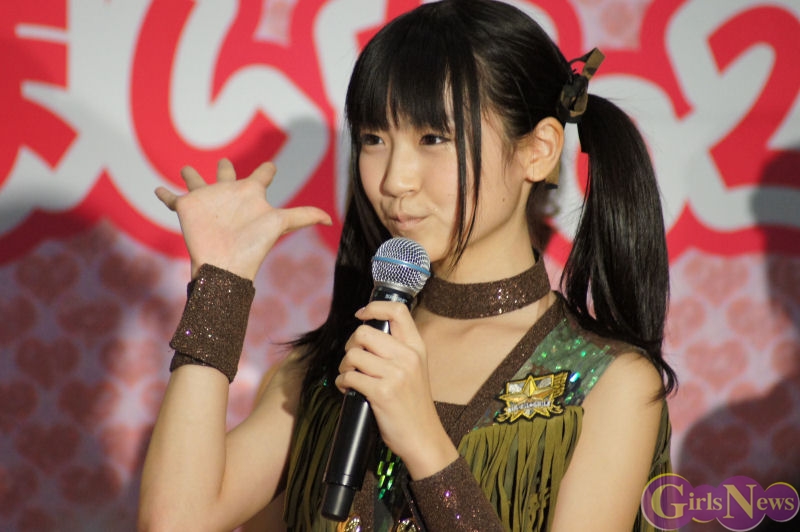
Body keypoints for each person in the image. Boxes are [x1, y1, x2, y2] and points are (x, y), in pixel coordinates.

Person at [138, 0, 677, 530]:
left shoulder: (611, 385)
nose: (395, 179)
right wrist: (221, 283)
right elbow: (174, 522)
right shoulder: (327, 367)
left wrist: (424, 443)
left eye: (433, 138)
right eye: (373, 139)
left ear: (538, 150)